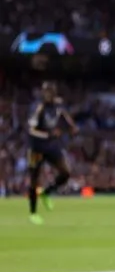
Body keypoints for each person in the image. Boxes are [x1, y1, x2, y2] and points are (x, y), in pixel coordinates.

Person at [26, 81, 77, 225]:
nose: (47, 94)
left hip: (50, 146)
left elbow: (64, 116)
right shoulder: (38, 107)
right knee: (34, 179)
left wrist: (72, 127)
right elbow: (31, 130)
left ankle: (47, 192)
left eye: (50, 91)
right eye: (45, 91)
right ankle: (33, 213)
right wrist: (47, 135)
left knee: (65, 172)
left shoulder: (57, 106)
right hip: (36, 147)